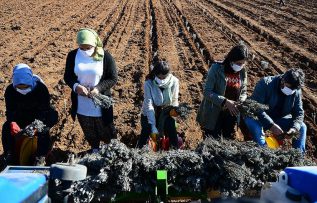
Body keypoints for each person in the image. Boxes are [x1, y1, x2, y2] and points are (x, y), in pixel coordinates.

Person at [64, 28, 118, 152]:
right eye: (81, 47)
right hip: (82, 105)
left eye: (88, 47)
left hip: (100, 104)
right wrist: (76, 87)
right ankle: (94, 150)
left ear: (94, 44)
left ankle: (109, 153)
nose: (84, 50)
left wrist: (98, 89)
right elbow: (68, 76)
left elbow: (113, 78)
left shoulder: (105, 56)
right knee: (90, 132)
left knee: (107, 132)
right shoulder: (73, 56)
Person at [2, 64, 58, 164]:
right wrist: (12, 122)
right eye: (19, 87)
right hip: (21, 116)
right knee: (6, 128)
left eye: (26, 86)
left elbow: (44, 111)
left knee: (43, 130)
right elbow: (10, 110)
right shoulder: (10, 91)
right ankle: (9, 155)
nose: (23, 89)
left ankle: (40, 157)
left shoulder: (40, 89)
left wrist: (35, 126)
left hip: (40, 117)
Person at [244, 68, 306, 153]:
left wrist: (294, 129)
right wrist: (271, 125)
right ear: (283, 80)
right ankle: (264, 153)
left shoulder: (296, 90)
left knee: (302, 127)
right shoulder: (265, 84)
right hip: (257, 117)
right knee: (257, 132)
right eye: (289, 87)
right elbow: (256, 108)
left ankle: (298, 158)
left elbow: (299, 112)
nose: (290, 91)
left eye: (293, 89)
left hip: (278, 119)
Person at [197, 44, 249, 139]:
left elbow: (244, 91)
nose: (240, 66)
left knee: (227, 139)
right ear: (231, 59)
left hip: (231, 113)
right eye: (238, 63)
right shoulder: (217, 69)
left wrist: (241, 101)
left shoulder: (242, 72)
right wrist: (225, 101)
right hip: (214, 113)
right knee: (212, 140)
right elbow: (207, 91)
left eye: (243, 63)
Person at [138, 60, 180, 149]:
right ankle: (139, 152)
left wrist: (174, 112)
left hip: (166, 111)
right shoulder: (148, 83)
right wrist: (153, 126)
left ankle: (175, 150)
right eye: (159, 78)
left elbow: (174, 100)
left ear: (168, 74)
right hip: (149, 111)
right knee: (146, 131)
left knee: (172, 129)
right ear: (155, 74)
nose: (161, 80)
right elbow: (149, 104)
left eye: (164, 78)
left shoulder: (174, 81)